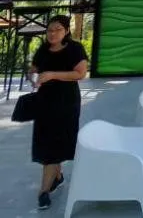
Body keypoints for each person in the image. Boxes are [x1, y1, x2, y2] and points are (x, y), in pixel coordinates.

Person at [28, 15, 89, 211]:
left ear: (66, 31)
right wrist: (34, 77)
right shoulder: (43, 49)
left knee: (54, 147)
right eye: (49, 30)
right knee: (47, 143)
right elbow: (34, 69)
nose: (52, 33)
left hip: (66, 103)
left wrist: (53, 74)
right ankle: (58, 176)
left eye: (57, 29)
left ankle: (43, 192)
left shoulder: (75, 49)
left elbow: (80, 73)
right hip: (44, 102)